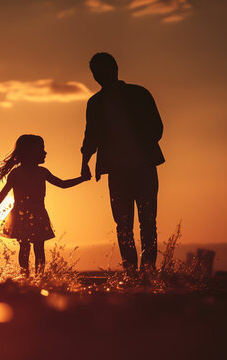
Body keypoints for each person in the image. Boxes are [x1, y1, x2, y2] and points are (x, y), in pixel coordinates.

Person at [80, 52, 165, 275]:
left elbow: (157, 127)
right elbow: (91, 136)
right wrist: (84, 162)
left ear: (114, 69)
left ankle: (148, 270)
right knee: (123, 225)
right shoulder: (95, 103)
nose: (99, 76)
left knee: (148, 222)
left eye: (102, 71)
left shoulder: (139, 93)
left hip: (144, 167)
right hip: (116, 171)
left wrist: (139, 144)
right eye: (95, 73)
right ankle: (130, 271)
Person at [0, 135, 89, 276]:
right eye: (41, 149)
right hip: (20, 215)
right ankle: (25, 275)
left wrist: (81, 179)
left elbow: (62, 184)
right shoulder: (16, 173)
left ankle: (39, 277)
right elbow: (2, 194)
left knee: (39, 247)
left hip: (38, 214)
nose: (45, 152)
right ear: (28, 151)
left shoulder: (42, 172)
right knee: (25, 247)